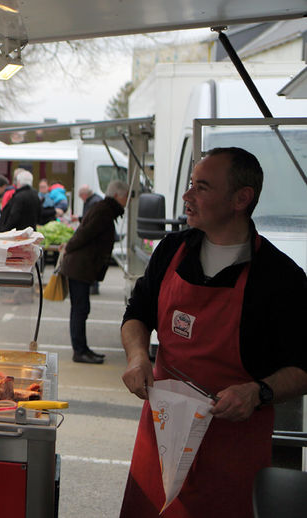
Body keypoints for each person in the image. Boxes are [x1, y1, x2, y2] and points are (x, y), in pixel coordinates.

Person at [118, 147, 307, 517]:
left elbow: (304, 368)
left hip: (232, 444)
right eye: (190, 185)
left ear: (241, 198)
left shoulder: (280, 277)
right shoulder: (171, 251)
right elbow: (136, 314)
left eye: (201, 187)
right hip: (162, 433)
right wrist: (138, 356)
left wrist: (258, 391)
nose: (187, 196)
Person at [57, 180, 129, 364]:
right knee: (80, 309)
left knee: (81, 309)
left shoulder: (104, 209)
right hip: (79, 267)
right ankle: (79, 351)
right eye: (125, 196)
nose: (127, 200)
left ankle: (83, 349)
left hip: (82, 267)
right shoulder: (104, 210)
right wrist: (68, 248)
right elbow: (84, 234)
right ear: (117, 196)